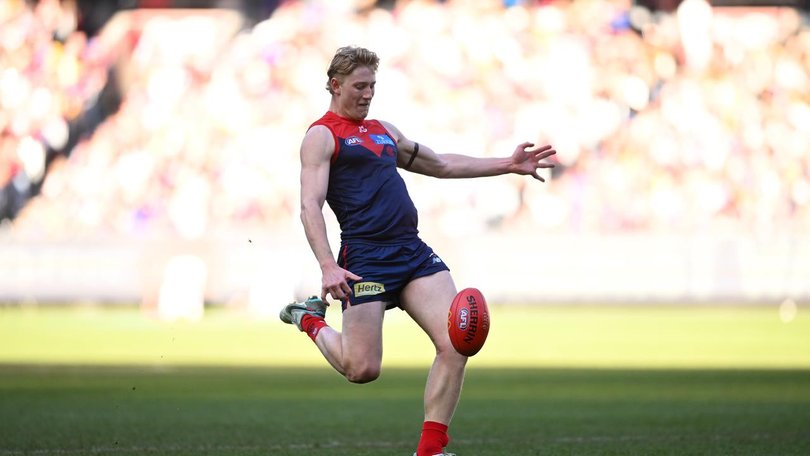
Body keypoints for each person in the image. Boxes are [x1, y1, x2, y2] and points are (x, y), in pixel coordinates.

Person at [279, 46, 556, 456]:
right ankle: (309, 320)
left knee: (458, 340)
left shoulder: (384, 131)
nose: (368, 93)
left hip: (412, 254)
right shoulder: (321, 136)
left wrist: (507, 164)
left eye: (372, 85)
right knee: (362, 369)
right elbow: (309, 205)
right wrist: (326, 266)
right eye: (360, 85)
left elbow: (441, 165)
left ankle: (431, 450)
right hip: (365, 260)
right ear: (335, 86)